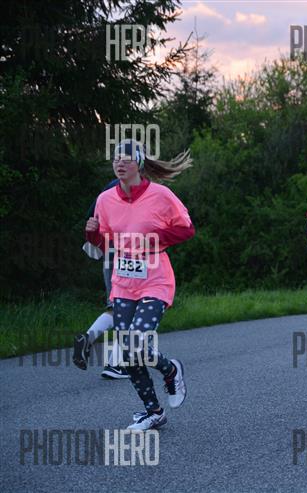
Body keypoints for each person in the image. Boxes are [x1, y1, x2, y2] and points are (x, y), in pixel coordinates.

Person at [85, 139, 194, 430]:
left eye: (126, 159)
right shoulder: (105, 199)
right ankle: (154, 411)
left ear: (140, 164)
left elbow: (187, 229)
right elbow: (105, 243)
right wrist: (92, 234)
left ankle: (170, 371)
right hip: (123, 283)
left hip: (156, 280)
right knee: (128, 351)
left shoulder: (161, 195)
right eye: (116, 159)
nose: (119, 163)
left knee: (135, 342)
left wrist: (154, 238)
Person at [73, 178, 130, 379]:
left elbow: (90, 215)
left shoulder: (111, 186)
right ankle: (115, 364)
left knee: (115, 305)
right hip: (129, 250)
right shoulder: (139, 187)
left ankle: (88, 339)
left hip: (109, 249)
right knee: (132, 306)